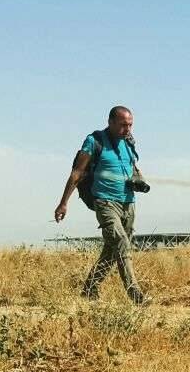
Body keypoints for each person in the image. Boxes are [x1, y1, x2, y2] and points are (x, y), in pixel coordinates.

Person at [54, 106, 148, 305]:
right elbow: (77, 173)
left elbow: (130, 166)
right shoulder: (94, 141)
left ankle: (89, 290)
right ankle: (136, 295)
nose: (127, 129)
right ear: (110, 122)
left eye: (130, 125)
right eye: (123, 125)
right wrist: (63, 203)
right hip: (104, 201)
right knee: (121, 242)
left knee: (113, 250)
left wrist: (138, 178)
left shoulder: (129, 142)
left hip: (128, 202)